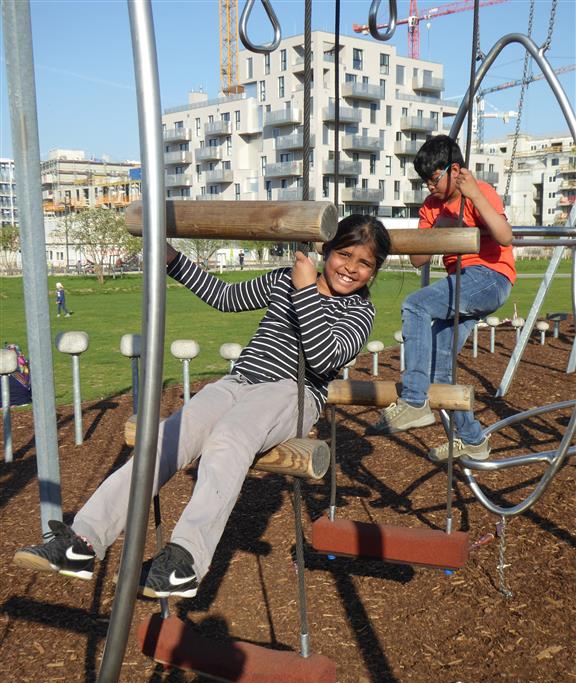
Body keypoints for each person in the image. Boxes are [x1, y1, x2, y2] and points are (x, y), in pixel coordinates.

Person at [14, 215, 391, 598]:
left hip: (293, 392)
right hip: (239, 381)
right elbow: (226, 298)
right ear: (327, 250)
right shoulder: (284, 279)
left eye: (364, 263)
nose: (351, 268)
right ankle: (82, 541)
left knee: (230, 437)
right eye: (344, 255)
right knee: (167, 439)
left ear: (375, 271)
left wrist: (306, 289)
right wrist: (173, 260)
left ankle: (186, 560)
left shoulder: (359, 312)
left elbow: (324, 358)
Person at [372, 135, 514, 462]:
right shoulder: (431, 206)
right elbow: (418, 259)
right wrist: (439, 227)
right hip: (462, 282)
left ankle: (414, 400)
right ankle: (473, 439)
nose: (430, 186)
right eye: (425, 180)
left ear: (456, 170)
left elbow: (505, 237)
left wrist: (474, 195)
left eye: (434, 178)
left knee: (415, 304)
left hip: (491, 277)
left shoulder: (480, 191)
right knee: (439, 364)